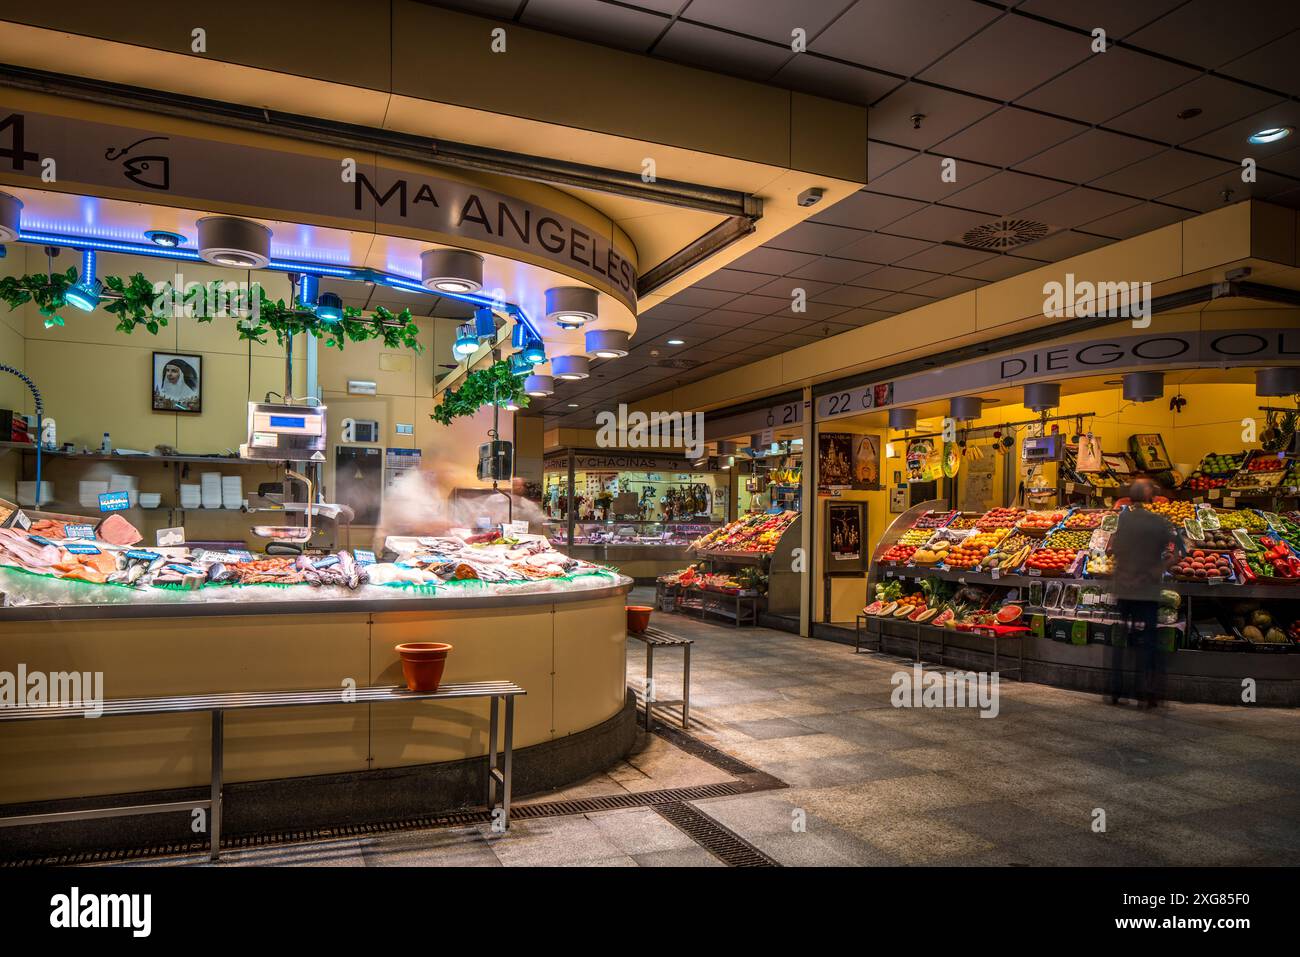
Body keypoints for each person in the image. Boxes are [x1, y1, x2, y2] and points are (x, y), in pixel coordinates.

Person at [1106, 477, 1184, 706]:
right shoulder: (1159, 521)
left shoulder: (1123, 519)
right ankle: (1148, 690)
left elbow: (1112, 550)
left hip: (1123, 587)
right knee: (1149, 641)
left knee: (1120, 640)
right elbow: (1181, 549)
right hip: (1147, 590)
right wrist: (1158, 568)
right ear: (1151, 496)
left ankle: (1116, 688)